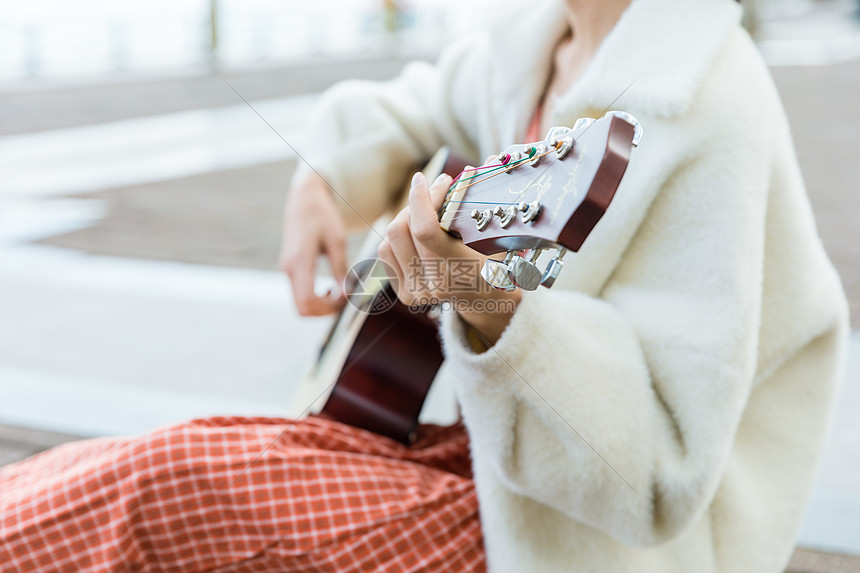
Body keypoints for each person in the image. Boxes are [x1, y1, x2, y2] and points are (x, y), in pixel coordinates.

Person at [0, 0, 849, 571]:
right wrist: (325, 178)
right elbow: (414, 110)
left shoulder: (708, 99)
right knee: (154, 461)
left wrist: (489, 304)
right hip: (484, 468)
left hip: (587, 545)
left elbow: (662, 473)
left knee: (169, 483)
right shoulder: (538, 40)